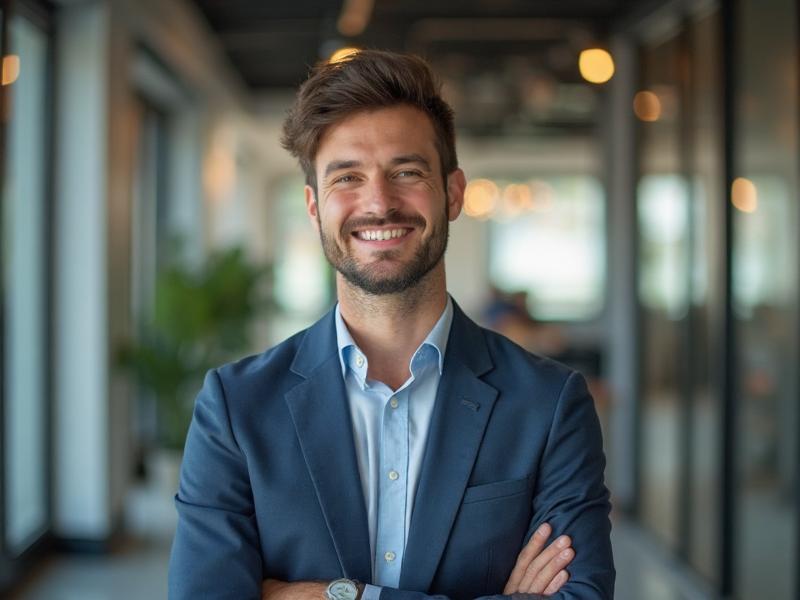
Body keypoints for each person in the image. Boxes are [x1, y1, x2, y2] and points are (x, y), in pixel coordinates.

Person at [168, 50, 614, 600]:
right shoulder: (235, 408)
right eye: (347, 177)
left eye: (406, 172)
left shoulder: (549, 403)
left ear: (453, 192)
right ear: (314, 206)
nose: (378, 203)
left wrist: (339, 596)